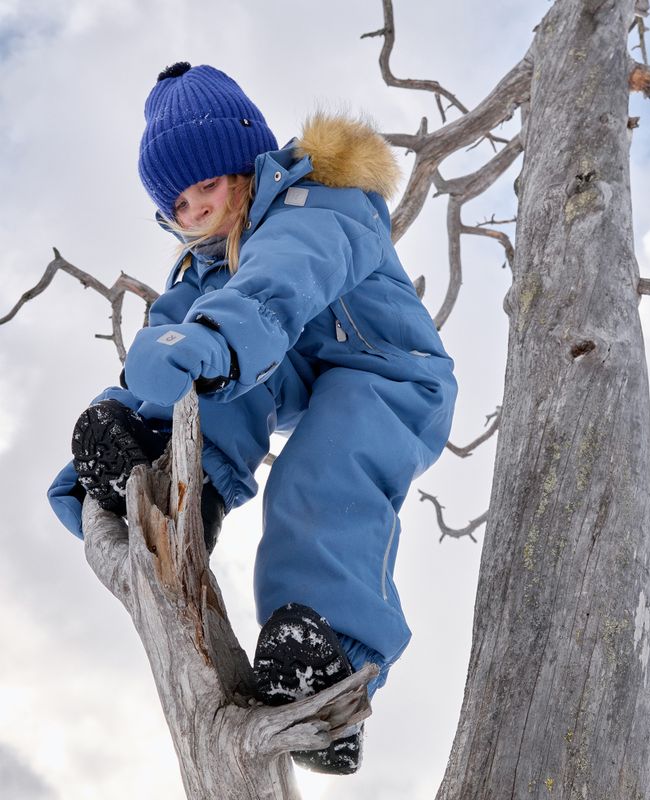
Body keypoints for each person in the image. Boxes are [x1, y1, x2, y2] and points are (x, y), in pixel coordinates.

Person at [47, 62, 457, 775]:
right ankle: (177, 475)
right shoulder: (204, 268)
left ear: (245, 166)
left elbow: (276, 287)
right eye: (178, 204)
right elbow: (171, 345)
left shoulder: (319, 202)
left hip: (389, 376)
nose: (195, 211)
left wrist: (208, 340)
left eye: (206, 186)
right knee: (212, 378)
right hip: (296, 365)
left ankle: (328, 664)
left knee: (321, 471)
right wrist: (113, 438)